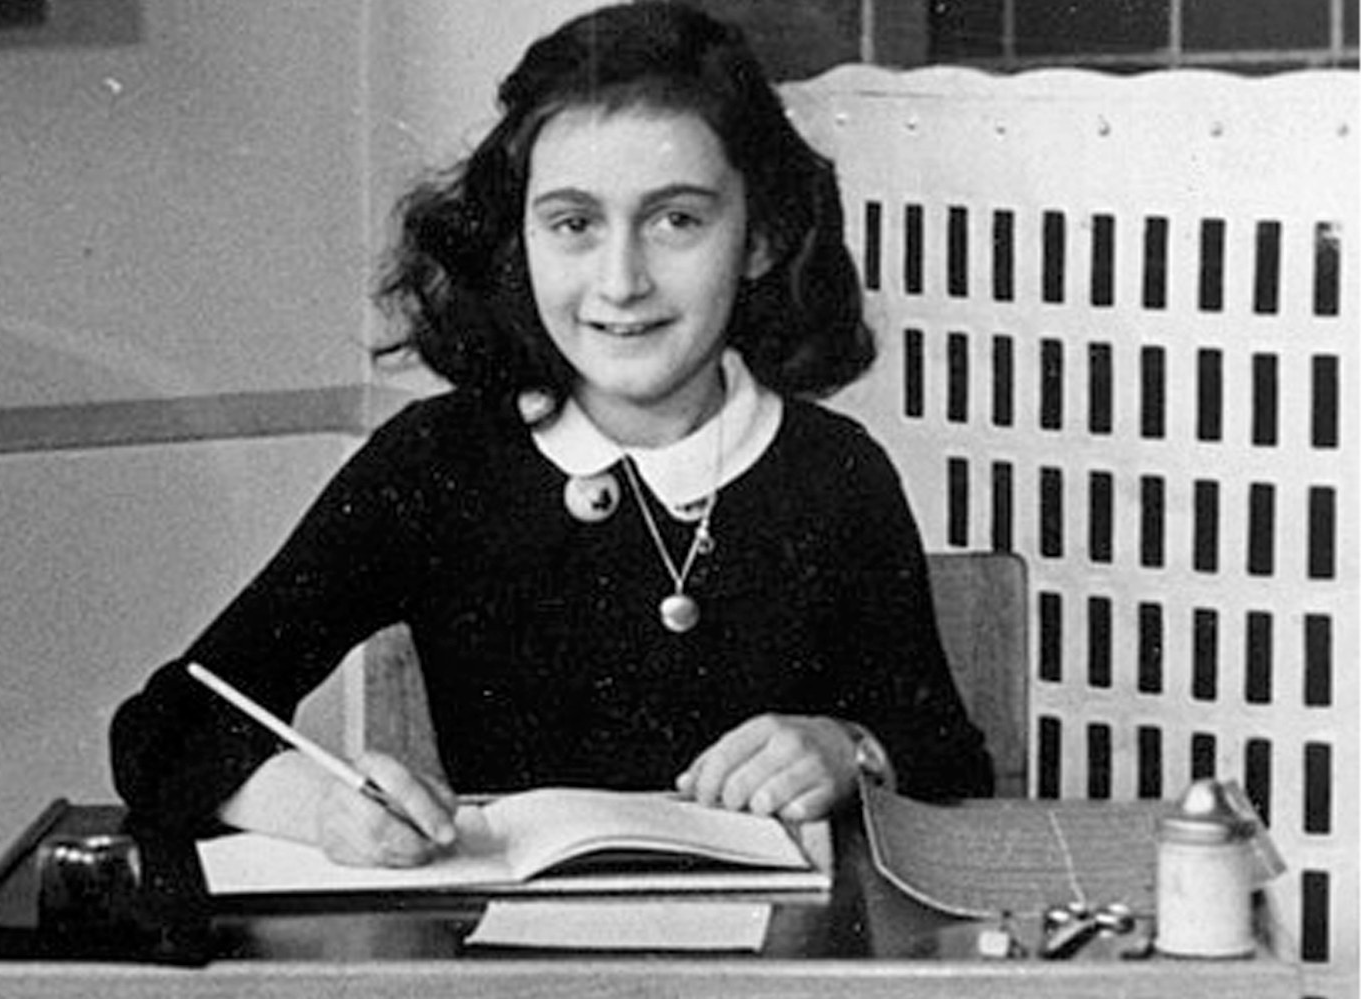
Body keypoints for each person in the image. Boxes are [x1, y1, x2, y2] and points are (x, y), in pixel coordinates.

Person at [110, 2, 992, 869]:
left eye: (676, 220)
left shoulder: (833, 472)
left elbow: (952, 761)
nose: (620, 281)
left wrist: (848, 747)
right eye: (573, 224)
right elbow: (166, 727)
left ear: (761, 236)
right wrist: (320, 807)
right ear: (518, 241)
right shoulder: (435, 464)